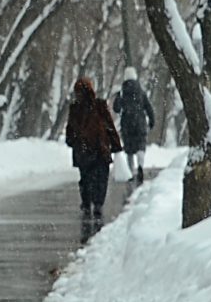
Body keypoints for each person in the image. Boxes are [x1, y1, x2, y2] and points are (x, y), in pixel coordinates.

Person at [65, 75, 122, 220]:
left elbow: (70, 131)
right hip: (100, 147)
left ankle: (87, 202)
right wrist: (115, 144)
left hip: (83, 150)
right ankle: (97, 203)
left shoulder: (75, 109)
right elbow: (109, 126)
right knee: (100, 178)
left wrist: (72, 141)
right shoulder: (99, 106)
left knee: (86, 178)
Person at [113, 67, 154, 184]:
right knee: (141, 145)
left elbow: (116, 109)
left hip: (127, 123)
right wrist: (151, 121)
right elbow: (148, 107)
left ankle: (130, 172)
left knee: (129, 149)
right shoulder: (141, 92)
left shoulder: (122, 91)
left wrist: (118, 98)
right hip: (140, 122)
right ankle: (140, 166)